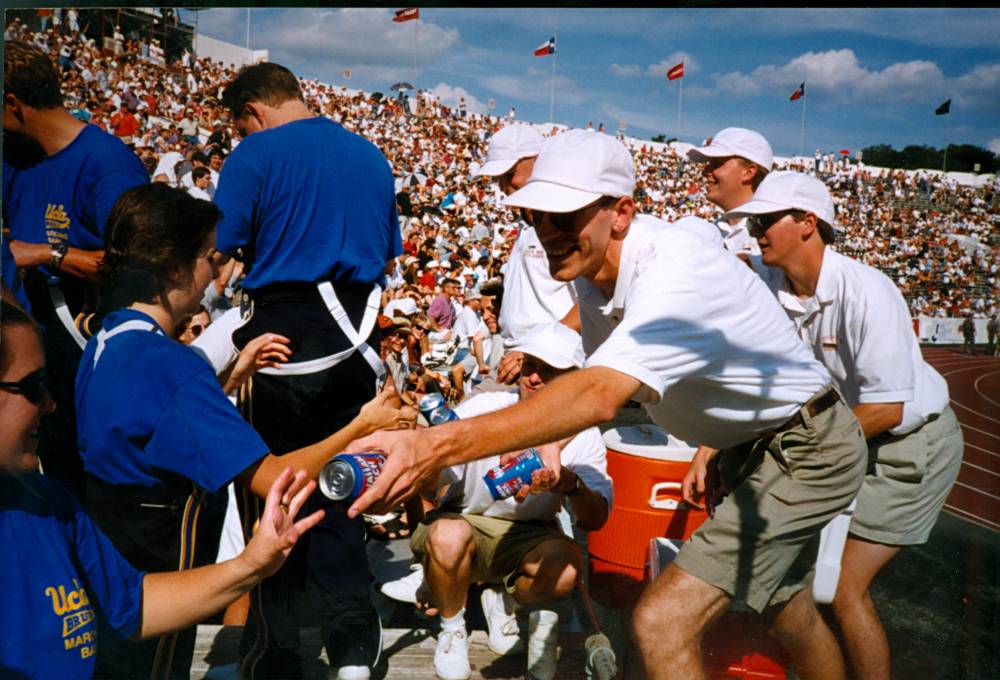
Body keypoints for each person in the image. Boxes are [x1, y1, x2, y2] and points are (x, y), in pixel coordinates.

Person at [346, 130, 867, 680]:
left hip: (803, 446)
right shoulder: (593, 277)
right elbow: (583, 383)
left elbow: (599, 394)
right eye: (534, 217)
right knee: (788, 615)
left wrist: (430, 445)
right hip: (753, 446)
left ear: (621, 212)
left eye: (564, 217)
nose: (546, 233)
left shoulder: (673, 268)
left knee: (662, 622)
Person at [74, 184, 412, 680]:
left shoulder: (109, 337)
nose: (216, 271)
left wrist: (230, 378)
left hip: (107, 552)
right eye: (209, 257)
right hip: (158, 566)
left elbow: (154, 419)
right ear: (173, 268)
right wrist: (364, 423)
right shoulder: (172, 367)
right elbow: (277, 476)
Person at [0, 295, 327, 679]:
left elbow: (133, 602)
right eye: (34, 386)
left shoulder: (50, 505)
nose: (51, 404)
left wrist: (251, 565)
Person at [727, 171, 964, 680]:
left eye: (766, 221)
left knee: (841, 587)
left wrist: (797, 448)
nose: (755, 232)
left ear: (808, 223)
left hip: (906, 446)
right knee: (802, 576)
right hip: (847, 435)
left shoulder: (867, 291)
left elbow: (888, 409)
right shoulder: (771, 286)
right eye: (752, 221)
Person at [214, 61, 402, 680]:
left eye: (240, 126)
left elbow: (222, 243)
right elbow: (386, 255)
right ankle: (351, 641)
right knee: (345, 486)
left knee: (280, 490)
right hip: (359, 334)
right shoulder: (372, 156)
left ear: (253, 112)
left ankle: (280, 647)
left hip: (286, 331)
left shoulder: (255, 153)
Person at [404, 323, 612, 680]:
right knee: (449, 536)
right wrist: (423, 454)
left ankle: (501, 598)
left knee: (566, 568)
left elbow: (596, 519)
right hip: (460, 522)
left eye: (549, 372)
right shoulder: (486, 406)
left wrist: (569, 483)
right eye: (529, 366)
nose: (533, 379)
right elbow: (432, 489)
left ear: (573, 380)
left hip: (523, 536)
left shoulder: (584, 435)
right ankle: (452, 629)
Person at [2, 40, 149, 499]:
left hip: (86, 351)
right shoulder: (16, 156)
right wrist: (37, 252)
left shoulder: (106, 163)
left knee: (91, 489)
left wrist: (43, 253)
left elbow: (141, 264)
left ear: (13, 103)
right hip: (37, 349)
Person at [470, 123, 579, 385]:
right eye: (499, 177)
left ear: (538, 161)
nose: (503, 185)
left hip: (547, 360)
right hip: (518, 354)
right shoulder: (528, 221)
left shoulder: (565, 219)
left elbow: (590, 302)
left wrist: (538, 349)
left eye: (510, 173)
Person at [686, 127, 773, 257]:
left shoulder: (775, 234)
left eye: (716, 164)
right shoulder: (713, 231)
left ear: (748, 172)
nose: (705, 172)